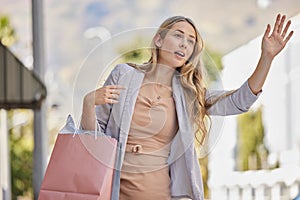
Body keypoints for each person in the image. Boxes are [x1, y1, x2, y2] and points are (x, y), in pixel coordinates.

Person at [80, 14, 293, 200]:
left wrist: (267, 57)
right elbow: (93, 139)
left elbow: (240, 101)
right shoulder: (123, 74)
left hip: (159, 192)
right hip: (114, 190)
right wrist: (88, 103)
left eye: (191, 41)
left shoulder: (188, 94)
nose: (184, 44)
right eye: (178, 35)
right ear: (159, 40)